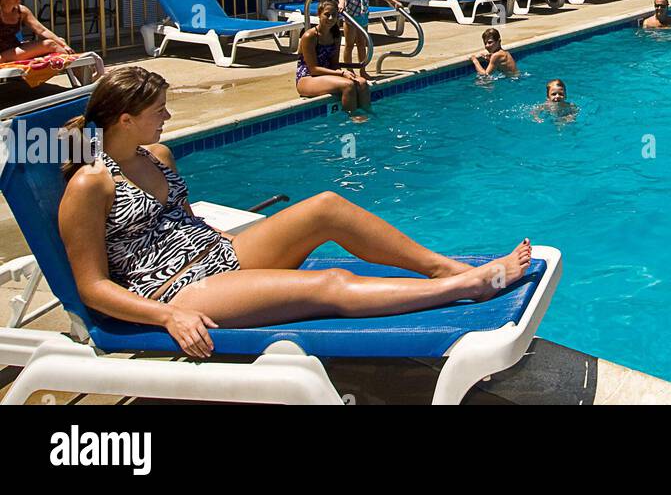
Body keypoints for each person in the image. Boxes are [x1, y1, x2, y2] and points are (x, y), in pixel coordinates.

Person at [57, 67, 533, 358]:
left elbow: (181, 222)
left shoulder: (156, 155)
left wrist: (227, 245)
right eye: (159, 110)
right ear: (124, 120)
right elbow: (92, 287)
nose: (167, 118)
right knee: (326, 287)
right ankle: (467, 285)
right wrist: (165, 319)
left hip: (219, 254)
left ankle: (442, 267)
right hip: (176, 291)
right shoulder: (91, 183)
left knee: (327, 206)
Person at [296, 0, 370, 116]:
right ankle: (352, 119)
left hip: (327, 74)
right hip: (307, 78)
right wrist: (341, 74)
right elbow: (313, 69)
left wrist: (342, 72)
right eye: (327, 15)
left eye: (334, 15)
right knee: (348, 86)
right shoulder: (309, 36)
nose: (330, 18)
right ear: (319, 15)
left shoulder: (335, 35)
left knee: (362, 83)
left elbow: (334, 63)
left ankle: (368, 115)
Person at [338, 0, 402, 73]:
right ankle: (349, 71)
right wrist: (341, 3)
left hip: (363, 17)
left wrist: (394, 2)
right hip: (350, 19)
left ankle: (363, 71)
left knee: (362, 44)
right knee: (349, 45)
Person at [0, 0, 74, 63]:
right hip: (2, 54)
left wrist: (64, 44)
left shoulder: (22, 11)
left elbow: (42, 31)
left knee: (59, 41)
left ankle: (80, 72)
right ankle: (81, 72)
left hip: (13, 48)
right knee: (51, 44)